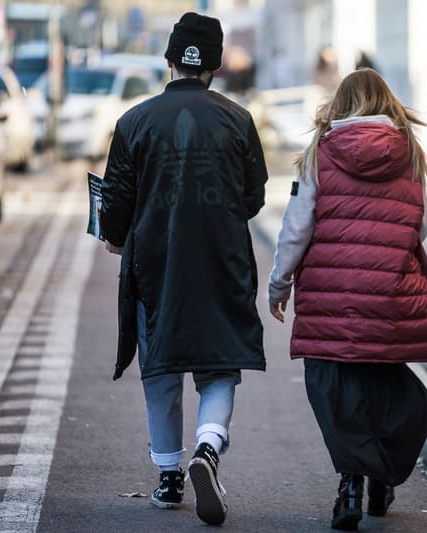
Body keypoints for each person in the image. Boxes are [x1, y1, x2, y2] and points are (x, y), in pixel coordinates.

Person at [100, 12, 269, 526]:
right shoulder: (239, 120)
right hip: (222, 260)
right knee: (218, 364)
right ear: (215, 68)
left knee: (161, 366)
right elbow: (253, 198)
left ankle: (170, 477)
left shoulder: (134, 122)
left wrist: (115, 235)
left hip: (156, 263)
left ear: (168, 60)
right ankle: (209, 447)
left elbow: (115, 202)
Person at [267, 68, 427, 530]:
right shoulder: (409, 153)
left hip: (329, 298)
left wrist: (279, 284)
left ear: (341, 103)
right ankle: (380, 479)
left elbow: (296, 228)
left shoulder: (321, 152)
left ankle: (351, 484)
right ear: (387, 103)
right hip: (389, 294)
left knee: (334, 387)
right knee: (384, 385)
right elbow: (421, 225)